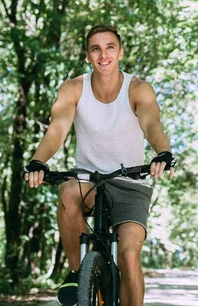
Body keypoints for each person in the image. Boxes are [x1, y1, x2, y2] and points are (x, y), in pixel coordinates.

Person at [23, 24, 176, 306]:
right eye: (96, 48)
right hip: (88, 180)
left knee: (129, 257)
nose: (103, 55)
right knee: (68, 192)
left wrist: (163, 152)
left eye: (109, 47)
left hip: (131, 183)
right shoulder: (73, 88)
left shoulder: (138, 88)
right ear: (87, 55)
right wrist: (38, 161)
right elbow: (57, 128)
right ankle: (78, 271)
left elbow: (151, 122)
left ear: (119, 52)